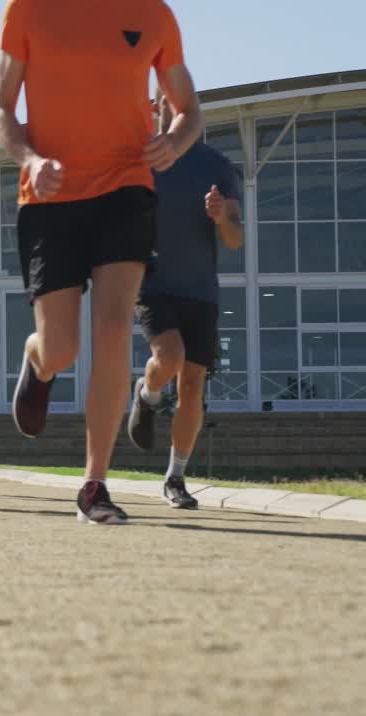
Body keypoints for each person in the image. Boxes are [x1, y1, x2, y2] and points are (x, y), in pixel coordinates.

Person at [0, 0, 202, 524]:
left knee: (113, 328)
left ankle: (94, 484)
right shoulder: (27, 10)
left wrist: (174, 142)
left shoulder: (153, 14)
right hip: (49, 194)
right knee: (63, 346)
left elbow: (189, 109)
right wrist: (31, 159)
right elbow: (0, 109)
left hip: (125, 190)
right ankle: (38, 361)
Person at [127, 91, 243, 509]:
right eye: (167, 105)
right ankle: (147, 391)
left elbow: (234, 239)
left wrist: (222, 216)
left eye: (184, 107)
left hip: (201, 290)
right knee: (169, 358)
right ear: (155, 108)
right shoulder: (138, 159)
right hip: (154, 281)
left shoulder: (217, 166)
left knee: (193, 385)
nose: (175, 113)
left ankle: (175, 477)